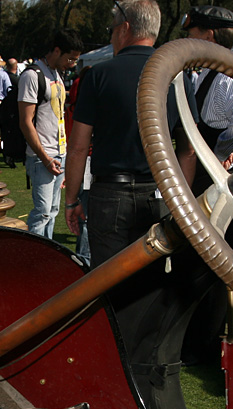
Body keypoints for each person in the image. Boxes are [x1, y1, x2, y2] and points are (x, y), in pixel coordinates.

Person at [64, 0, 172, 268]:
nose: (111, 37)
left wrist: (71, 200)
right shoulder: (176, 76)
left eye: (111, 30)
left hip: (110, 195)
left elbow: (78, 148)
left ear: (125, 29)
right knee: (152, 282)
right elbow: (188, 151)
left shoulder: (99, 75)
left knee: (108, 282)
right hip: (158, 194)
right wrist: (177, 200)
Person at [183, 5, 233, 193]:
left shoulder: (225, 78)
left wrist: (221, 152)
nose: (187, 40)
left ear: (208, 36)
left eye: (191, 34)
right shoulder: (210, 74)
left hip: (211, 181)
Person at [19, 28, 84, 240]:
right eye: (70, 58)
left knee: (53, 212)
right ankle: (34, 260)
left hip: (59, 153)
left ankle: (47, 256)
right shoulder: (32, 75)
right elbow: (25, 122)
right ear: (57, 51)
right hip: (42, 156)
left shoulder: (56, 73)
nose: (72, 64)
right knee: (42, 213)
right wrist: (45, 158)